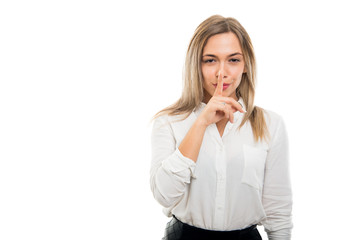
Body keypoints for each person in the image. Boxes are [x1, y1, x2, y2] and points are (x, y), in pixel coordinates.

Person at [149, 15, 293, 240]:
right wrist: (201, 123)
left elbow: (278, 210)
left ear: (245, 65)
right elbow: (164, 195)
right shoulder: (169, 121)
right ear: (196, 64)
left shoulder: (270, 125)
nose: (221, 72)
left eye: (233, 60)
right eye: (210, 60)